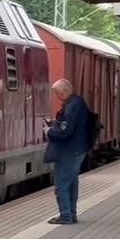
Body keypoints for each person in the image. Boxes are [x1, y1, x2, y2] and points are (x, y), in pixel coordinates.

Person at [43, 79, 89, 224]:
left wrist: (49, 132)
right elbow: (68, 125)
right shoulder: (76, 103)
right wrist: (55, 123)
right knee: (71, 184)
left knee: (61, 184)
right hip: (76, 149)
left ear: (65, 91)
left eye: (57, 93)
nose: (57, 96)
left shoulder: (73, 105)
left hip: (69, 150)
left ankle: (65, 215)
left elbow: (66, 131)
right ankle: (71, 213)